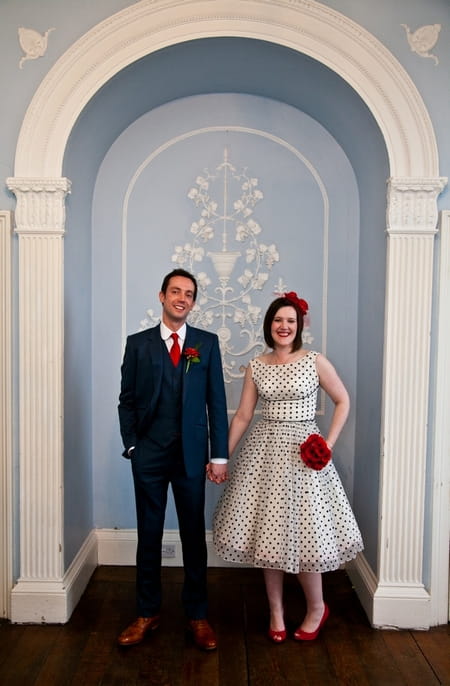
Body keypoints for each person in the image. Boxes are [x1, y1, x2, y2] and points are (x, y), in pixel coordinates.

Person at [213, 291, 363, 643]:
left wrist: (326, 444)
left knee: (306, 534)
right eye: (279, 320)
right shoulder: (257, 365)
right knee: (268, 537)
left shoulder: (314, 360)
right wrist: (221, 456)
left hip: (304, 457)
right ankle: (276, 611)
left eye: (290, 321)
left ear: (299, 327)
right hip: (263, 456)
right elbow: (244, 416)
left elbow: (343, 400)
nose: (284, 326)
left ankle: (316, 607)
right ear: (270, 325)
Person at [117, 268, 229, 650]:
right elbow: (127, 400)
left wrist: (218, 456)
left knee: (193, 536)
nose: (182, 298)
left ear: (193, 302)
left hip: (191, 456)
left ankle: (197, 616)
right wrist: (133, 446)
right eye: (176, 291)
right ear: (162, 296)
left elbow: (217, 403)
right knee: (148, 535)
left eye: (189, 294)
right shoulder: (138, 344)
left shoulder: (206, 344)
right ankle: (147, 613)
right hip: (148, 454)